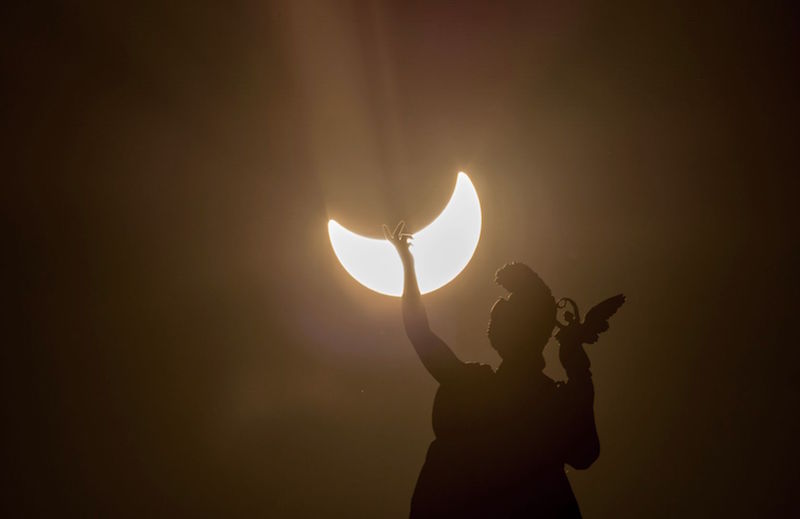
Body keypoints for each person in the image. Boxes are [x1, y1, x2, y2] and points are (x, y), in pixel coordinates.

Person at [384, 222, 603, 518]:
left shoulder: (477, 387)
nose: (497, 308)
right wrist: (578, 373)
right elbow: (585, 454)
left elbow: (419, 333)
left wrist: (407, 266)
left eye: (508, 306)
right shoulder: (552, 399)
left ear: (520, 327)